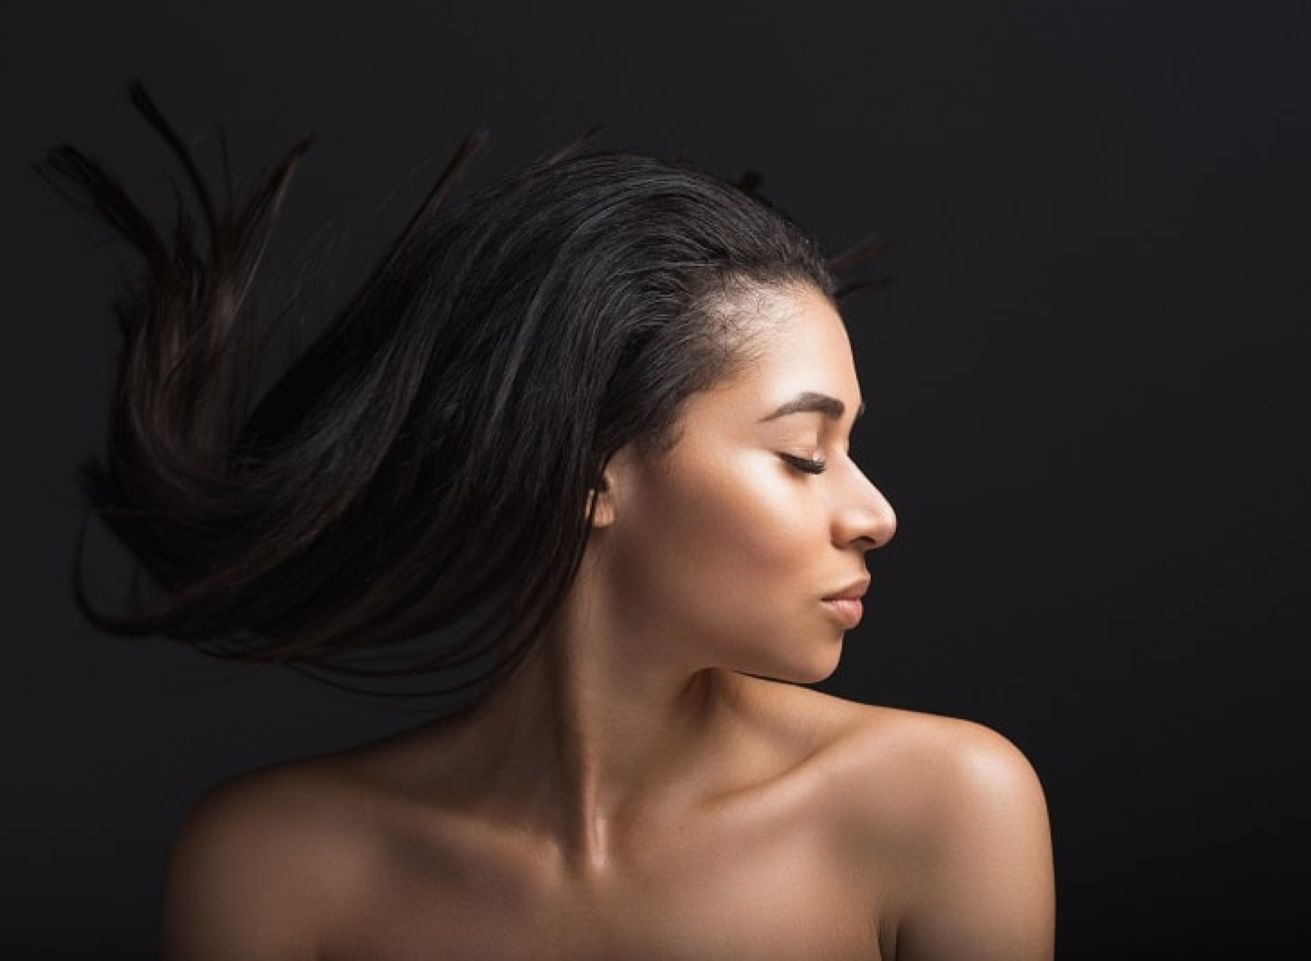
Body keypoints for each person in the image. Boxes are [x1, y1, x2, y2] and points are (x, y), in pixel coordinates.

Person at [40, 80, 1055, 960]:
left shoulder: (949, 807)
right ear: (586, 468)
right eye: (802, 454)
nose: (873, 514)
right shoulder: (274, 866)